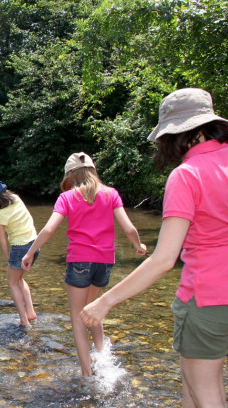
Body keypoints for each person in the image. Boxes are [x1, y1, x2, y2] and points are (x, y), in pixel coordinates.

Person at [80, 88, 228, 408]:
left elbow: (164, 259)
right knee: (199, 377)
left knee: (212, 400)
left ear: (180, 135)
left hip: (208, 299)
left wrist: (105, 302)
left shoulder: (186, 176)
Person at [21, 152, 147, 376]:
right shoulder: (111, 194)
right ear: (93, 171)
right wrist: (138, 245)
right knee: (95, 308)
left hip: (80, 260)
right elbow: (129, 229)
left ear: (70, 175)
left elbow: (49, 229)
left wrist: (30, 252)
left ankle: (88, 373)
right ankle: (102, 357)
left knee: (78, 315)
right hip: (105, 261)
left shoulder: (68, 197)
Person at [0, 180, 39, 327]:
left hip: (20, 249)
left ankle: (23, 320)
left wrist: (9, 257)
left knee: (12, 282)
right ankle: (31, 312)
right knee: (19, 279)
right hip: (34, 245)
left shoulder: (0, 215)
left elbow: (2, 241)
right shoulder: (17, 200)